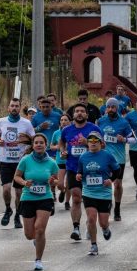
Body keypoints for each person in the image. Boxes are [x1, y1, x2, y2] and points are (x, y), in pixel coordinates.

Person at [14, 133, 59, 271]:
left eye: (41, 143)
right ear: (33, 145)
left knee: (40, 228)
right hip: (28, 198)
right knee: (29, 234)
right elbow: (17, 177)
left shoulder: (52, 162)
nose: (39, 145)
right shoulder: (25, 160)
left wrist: (53, 182)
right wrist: (24, 182)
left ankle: (38, 260)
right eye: (36, 143)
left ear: (46, 145)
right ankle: (36, 239)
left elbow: (57, 180)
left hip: (45, 198)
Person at [59, 103, 100, 241]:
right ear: (73, 115)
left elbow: (103, 145)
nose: (79, 113)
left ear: (87, 115)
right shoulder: (67, 130)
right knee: (76, 198)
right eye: (77, 111)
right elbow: (61, 142)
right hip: (73, 168)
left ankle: (90, 224)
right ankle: (76, 228)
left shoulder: (94, 129)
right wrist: (63, 151)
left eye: (82, 111)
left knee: (90, 200)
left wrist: (87, 143)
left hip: (91, 168)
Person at [76, 131, 120, 256]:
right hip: (89, 192)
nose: (93, 143)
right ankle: (94, 245)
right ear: (88, 143)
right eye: (90, 140)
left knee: (103, 222)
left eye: (96, 140)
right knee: (91, 219)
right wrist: (78, 175)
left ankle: (105, 229)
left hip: (104, 193)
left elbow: (117, 170)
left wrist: (111, 180)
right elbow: (80, 171)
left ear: (101, 143)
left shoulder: (107, 156)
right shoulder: (83, 157)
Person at [0, 98, 36, 229]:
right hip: (5, 160)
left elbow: (34, 139)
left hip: (20, 162)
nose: (14, 108)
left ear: (20, 108)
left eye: (17, 106)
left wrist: (28, 149)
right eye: (12, 106)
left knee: (18, 192)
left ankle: (17, 215)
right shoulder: (1, 121)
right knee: (6, 189)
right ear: (8, 108)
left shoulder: (26, 123)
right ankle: (8, 209)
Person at [97, 98, 135, 221]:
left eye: (113, 107)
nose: (110, 109)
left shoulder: (123, 123)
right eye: (108, 107)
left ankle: (117, 208)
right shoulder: (101, 121)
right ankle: (108, 203)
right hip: (104, 158)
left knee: (117, 184)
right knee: (105, 183)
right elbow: (94, 137)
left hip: (119, 159)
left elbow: (134, 139)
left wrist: (124, 139)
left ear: (117, 108)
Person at [50, 114, 72, 209]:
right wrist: (57, 147)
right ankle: (62, 191)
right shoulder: (56, 133)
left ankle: (67, 202)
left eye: (66, 120)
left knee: (69, 183)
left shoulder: (73, 131)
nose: (63, 122)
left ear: (70, 122)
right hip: (60, 161)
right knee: (60, 184)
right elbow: (51, 146)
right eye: (62, 120)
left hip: (71, 160)